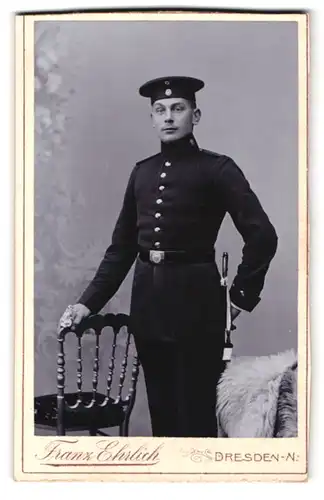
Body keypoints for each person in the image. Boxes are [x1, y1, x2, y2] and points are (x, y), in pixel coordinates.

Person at [59, 76, 278, 437]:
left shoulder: (218, 169)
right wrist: (87, 304)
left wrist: (240, 297)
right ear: (152, 119)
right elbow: (122, 248)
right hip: (148, 308)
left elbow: (263, 236)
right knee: (162, 413)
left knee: (195, 415)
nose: (169, 117)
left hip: (198, 306)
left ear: (196, 114)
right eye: (160, 111)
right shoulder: (142, 172)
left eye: (178, 108)